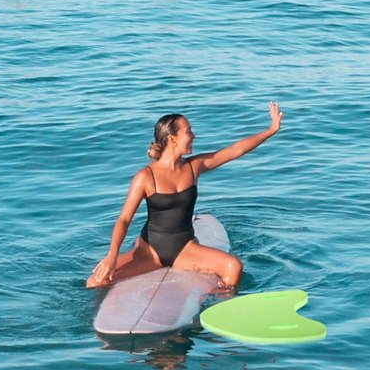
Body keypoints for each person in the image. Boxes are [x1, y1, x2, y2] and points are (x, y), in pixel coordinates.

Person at [86, 101, 283, 289]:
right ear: (172, 139)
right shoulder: (146, 177)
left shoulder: (193, 167)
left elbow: (235, 150)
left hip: (185, 249)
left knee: (234, 268)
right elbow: (124, 219)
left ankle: (212, 302)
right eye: (188, 131)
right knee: (95, 281)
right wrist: (112, 255)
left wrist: (270, 130)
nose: (194, 135)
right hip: (150, 252)